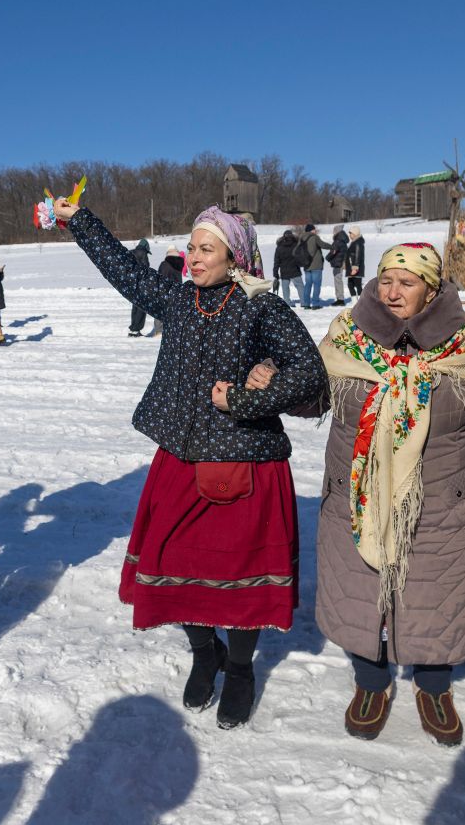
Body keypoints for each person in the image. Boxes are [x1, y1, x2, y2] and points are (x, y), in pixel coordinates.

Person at [52, 196, 327, 729]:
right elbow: (124, 272)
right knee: (173, 567)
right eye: (192, 247)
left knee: (242, 576)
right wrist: (79, 221)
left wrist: (244, 400)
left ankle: (240, 669)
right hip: (180, 459)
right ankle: (206, 652)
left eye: (207, 249)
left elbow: (310, 373)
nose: (194, 258)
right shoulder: (179, 299)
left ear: (234, 257)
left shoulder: (261, 306)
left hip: (245, 460)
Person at [256, 244, 465, 744]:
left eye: (407, 282)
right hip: (356, 494)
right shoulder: (347, 335)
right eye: (386, 280)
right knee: (361, 586)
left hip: (442, 498)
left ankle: (433, 686)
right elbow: (315, 394)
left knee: (436, 590)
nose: (393, 292)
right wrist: (277, 383)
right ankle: (371, 681)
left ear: (432, 289)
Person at [299, 223, 330, 309]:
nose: (315, 231)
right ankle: (315, 304)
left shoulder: (301, 238)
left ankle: (306, 304)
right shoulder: (314, 237)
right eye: (314, 229)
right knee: (316, 285)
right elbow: (323, 245)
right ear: (311, 230)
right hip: (316, 265)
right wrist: (332, 247)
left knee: (308, 285)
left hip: (306, 266)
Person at [127, 238, 152, 336]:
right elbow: (146, 268)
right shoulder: (143, 253)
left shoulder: (131, 252)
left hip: (131, 283)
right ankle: (136, 329)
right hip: (141, 283)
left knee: (135, 306)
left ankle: (133, 328)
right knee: (141, 307)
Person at [272, 229, 303, 305]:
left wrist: (275, 272)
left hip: (284, 271)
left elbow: (276, 261)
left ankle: (287, 302)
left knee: (285, 288)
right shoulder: (296, 245)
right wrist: (301, 264)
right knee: (300, 286)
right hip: (295, 270)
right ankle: (304, 301)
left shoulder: (279, 247)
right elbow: (300, 257)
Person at [326, 225, 350, 306]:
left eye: (334, 231)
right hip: (340, 262)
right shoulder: (342, 240)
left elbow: (333, 251)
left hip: (338, 263)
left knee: (338, 280)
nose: (333, 232)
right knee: (338, 280)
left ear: (337, 231)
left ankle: (340, 299)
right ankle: (340, 298)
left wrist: (327, 258)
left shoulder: (338, 240)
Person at [343, 225, 366, 298]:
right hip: (352, 268)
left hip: (356, 269)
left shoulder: (358, 243)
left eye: (351, 233)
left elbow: (357, 256)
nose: (349, 235)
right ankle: (355, 302)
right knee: (350, 285)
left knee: (357, 286)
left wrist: (355, 268)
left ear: (355, 233)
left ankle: (361, 302)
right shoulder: (355, 242)